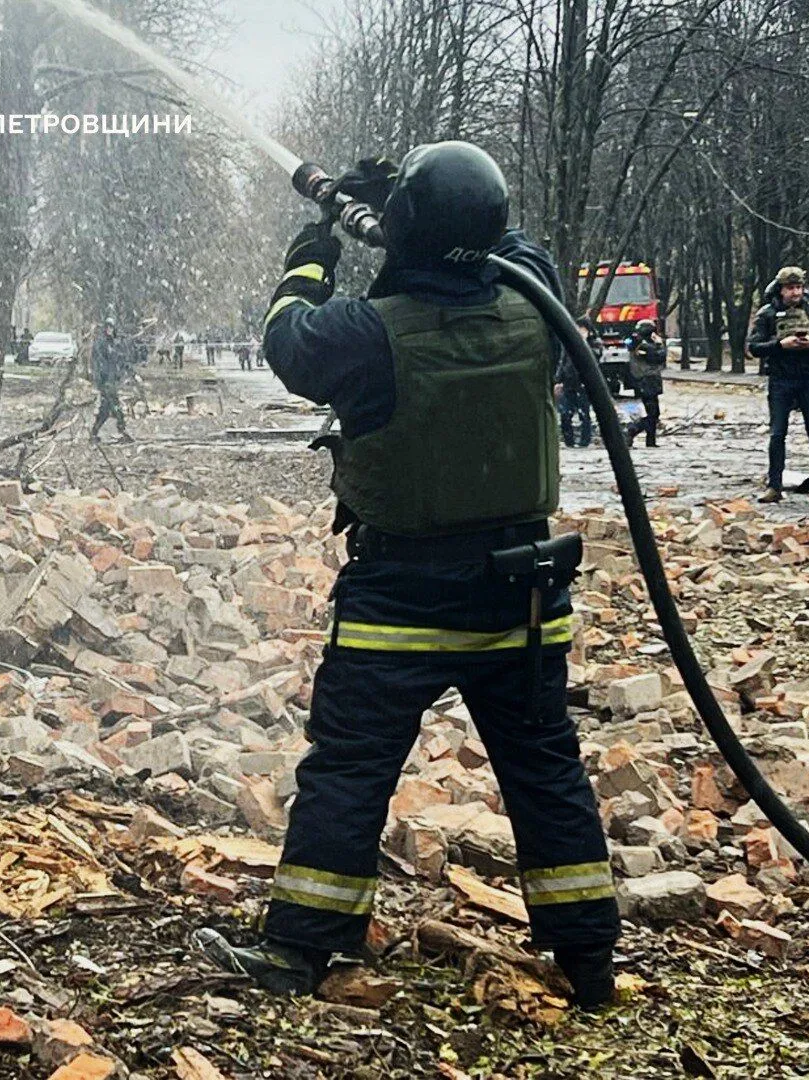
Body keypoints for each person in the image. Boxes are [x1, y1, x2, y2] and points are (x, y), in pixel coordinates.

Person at [195, 142, 619, 1010]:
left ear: (407, 236)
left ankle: (301, 949)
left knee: (350, 771)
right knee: (544, 768)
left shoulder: (366, 336)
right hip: (523, 593)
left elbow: (286, 336)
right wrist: (406, 208)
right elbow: (508, 241)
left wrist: (321, 241)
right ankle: (589, 959)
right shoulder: (535, 304)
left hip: (403, 598)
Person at [748, 266, 809, 504]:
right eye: (790, 288)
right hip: (780, 379)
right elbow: (754, 347)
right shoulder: (767, 313)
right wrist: (780, 345)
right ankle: (774, 486)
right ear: (781, 289)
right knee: (777, 433)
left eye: (798, 287)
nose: (795, 292)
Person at [555, 316, 600, 447]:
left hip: (584, 384)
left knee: (584, 413)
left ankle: (585, 441)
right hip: (569, 383)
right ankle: (569, 440)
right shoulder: (569, 343)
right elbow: (562, 362)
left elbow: (595, 357)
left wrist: (584, 343)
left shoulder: (594, 343)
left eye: (582, 329)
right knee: (565, 413)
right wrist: (558, 380)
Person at [624, 317, 666, 448]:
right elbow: (658, 357)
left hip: (647, 380)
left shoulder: (638, 343)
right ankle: (633, 430)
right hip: (646, 380)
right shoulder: (642, 345)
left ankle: (651, 440)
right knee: (652, 413)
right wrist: (660, 344)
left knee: (653, 413)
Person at [89, 317, 133, 444]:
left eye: (111, 327)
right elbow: (97, 363)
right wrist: (99, 380)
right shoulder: (100, 343)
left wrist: (128, 372)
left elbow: (120, 360)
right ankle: (122, 430)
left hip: (112, 380)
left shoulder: (114, 344)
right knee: (115, 406)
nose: (109, 330)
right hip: (105, 381)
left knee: (105, 410)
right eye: (107, 327)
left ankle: (94, 433)